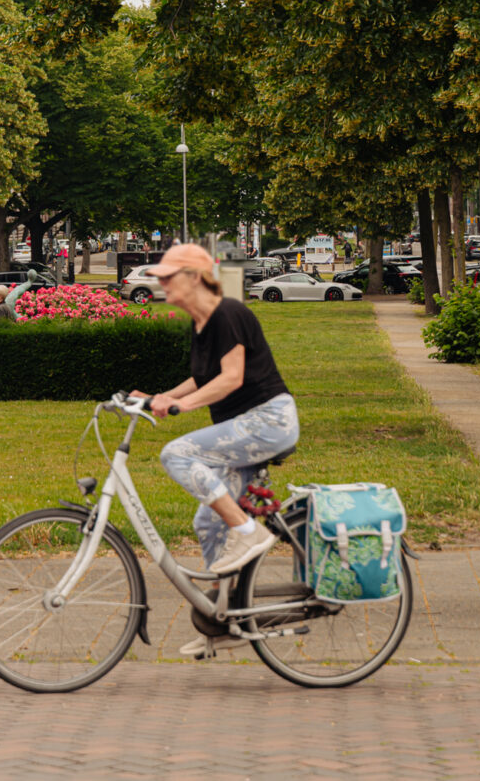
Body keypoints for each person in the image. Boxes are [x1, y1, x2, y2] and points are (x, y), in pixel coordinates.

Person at [132, 241, 299, 657]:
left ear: (194, 277)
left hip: (268, 421)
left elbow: (231, 378)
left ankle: (248, 532)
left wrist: (180, 407)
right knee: (209, 523)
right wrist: (160, 397)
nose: (161, 284)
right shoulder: (203, 323)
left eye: (168, 276)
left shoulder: (228, 313)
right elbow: (200, 378)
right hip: (242, 428)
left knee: (176, 454)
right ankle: (228, 620)